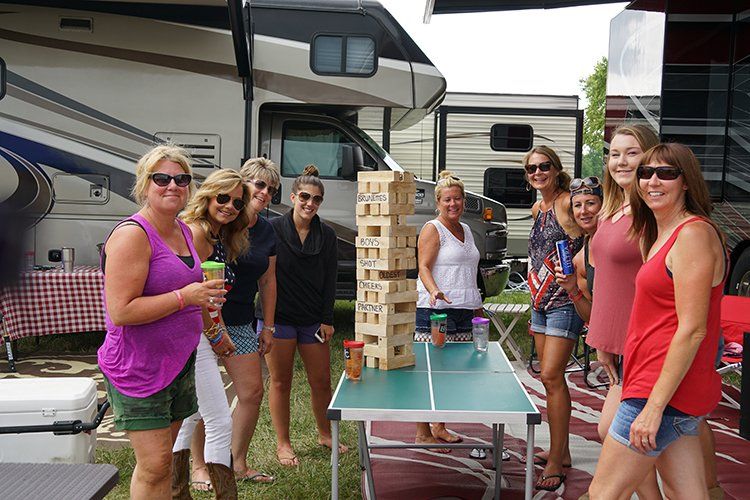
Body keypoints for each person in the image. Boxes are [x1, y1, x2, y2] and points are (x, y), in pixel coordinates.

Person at [588, 143, 726, 499]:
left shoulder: (693, 234)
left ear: (686, 182)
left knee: (603, 494)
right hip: (659, 385)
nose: (652, 180)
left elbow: (693, 329)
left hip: (659, 390)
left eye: (666, 173)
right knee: (688, 494)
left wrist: (653, 407)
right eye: (646, 172)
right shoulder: (663, 232)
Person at [97, 145, 226, 499]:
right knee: (155, 466)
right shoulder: (132, 235)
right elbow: (121, 310)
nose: (173, 185)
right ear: (145, 184)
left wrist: (210, 321)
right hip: (139, 365)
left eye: (181, 179)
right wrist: (187, 296)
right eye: (162, 178)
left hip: (177, 361)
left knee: (163, 464)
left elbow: (191, 289)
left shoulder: (184, 231)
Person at [188, 157, 280, 485]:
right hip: (204, 325)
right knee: (204, 400)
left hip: (239, 320)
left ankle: (236, 462)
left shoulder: (257, 230)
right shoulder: (211, 227)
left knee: (252, 391)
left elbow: (268, 281)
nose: (265, 193)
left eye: (271, 189)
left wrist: (266, 326)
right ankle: (199, 466)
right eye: (259, 184)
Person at [586, 125, 663, 499]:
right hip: (617, 342)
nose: (621, 161)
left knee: (613, 430)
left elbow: (656, 283)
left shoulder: (651, 213)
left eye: (632, 153)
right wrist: (603, 341)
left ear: (649, 156)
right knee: (664, 438)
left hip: (644, 343)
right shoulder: (612, 209)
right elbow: (608, 282)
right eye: (615, 154)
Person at [171, 169, 252, 498]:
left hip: (196, 333)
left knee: (189, 416)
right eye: (223, 198)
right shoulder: (197, 232)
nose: (230, 206)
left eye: (237, 201)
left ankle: (177, 492)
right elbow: (191, 292)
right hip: (192, 335)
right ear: (207, 196)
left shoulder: (218, 235)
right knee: (219, 420)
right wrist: (216, 334)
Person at [261, 164, 346, 466]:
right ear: (294, 197)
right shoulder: (272, 229)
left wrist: (328, 319)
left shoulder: (327, 234)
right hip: (279, 318)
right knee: (280, 382)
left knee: (321, 381)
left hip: (313, 320)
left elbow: (330, 279)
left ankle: (325, 433)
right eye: (305, 197)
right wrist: (266, 323)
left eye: (317, 199)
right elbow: (264, 276)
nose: (311, 203)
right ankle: (283, 443)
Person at [524, 145, 584, 492]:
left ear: (556, 168)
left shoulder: (565, 202)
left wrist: (577, 278)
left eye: (543, 166)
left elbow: (588, 238)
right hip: (539, 300)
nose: (537, 173)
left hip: (565, 301)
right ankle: (560, 451)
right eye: (531, 169)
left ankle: (556, 460)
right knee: (549, 381)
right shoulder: (538, 207)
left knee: (551, 374)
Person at [414, 170, 483, 452]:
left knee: (453, 372)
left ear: (463, 201)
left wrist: (478, 305)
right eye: (447, 200)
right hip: (436, 310)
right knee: (429, 372)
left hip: (465, 310)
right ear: (437, 202)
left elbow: (469, 270)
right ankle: (422, 432)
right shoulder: (433, 228)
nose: (452, 204)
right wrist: (433, 291)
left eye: (457, 199)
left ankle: (439, 426)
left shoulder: (465, 229)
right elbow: (423, 267)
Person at [554, 176, 603, 323]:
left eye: (590, 203)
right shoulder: (581, 259)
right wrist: (573, 290)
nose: (583, 211)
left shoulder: (621, 241)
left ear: (604, 205)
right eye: (577, 205)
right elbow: (591, 319)